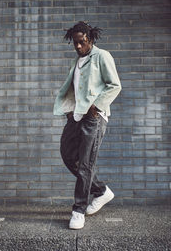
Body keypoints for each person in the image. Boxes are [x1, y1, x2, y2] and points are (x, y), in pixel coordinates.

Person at [53, 21, 122, 229]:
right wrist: (69, 110)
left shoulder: (101, 56)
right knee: (68, 155)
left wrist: (97, 106)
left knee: (85, 164)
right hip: (76, 116)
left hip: (94, 118)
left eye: (81, 43)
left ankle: (78, 210)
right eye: (75, 43)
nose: (78, 47)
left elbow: (115, 85)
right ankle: (101, 191)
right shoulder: (78, 61)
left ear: (90, 40)